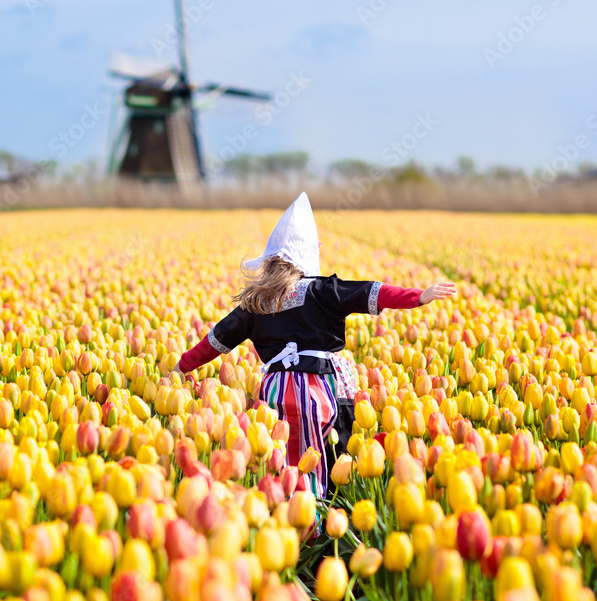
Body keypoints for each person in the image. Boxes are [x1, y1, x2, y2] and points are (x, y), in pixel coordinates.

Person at [175, 192, 456, 506]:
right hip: (316, 388)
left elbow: (215, 340)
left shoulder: (255, 303)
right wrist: (418, 296)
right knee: (323, 450)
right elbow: (371, 292)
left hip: (274, 391)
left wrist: (180, 368)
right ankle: (320, 512)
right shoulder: (323, 291)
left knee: (277, 452)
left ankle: (279, 509)